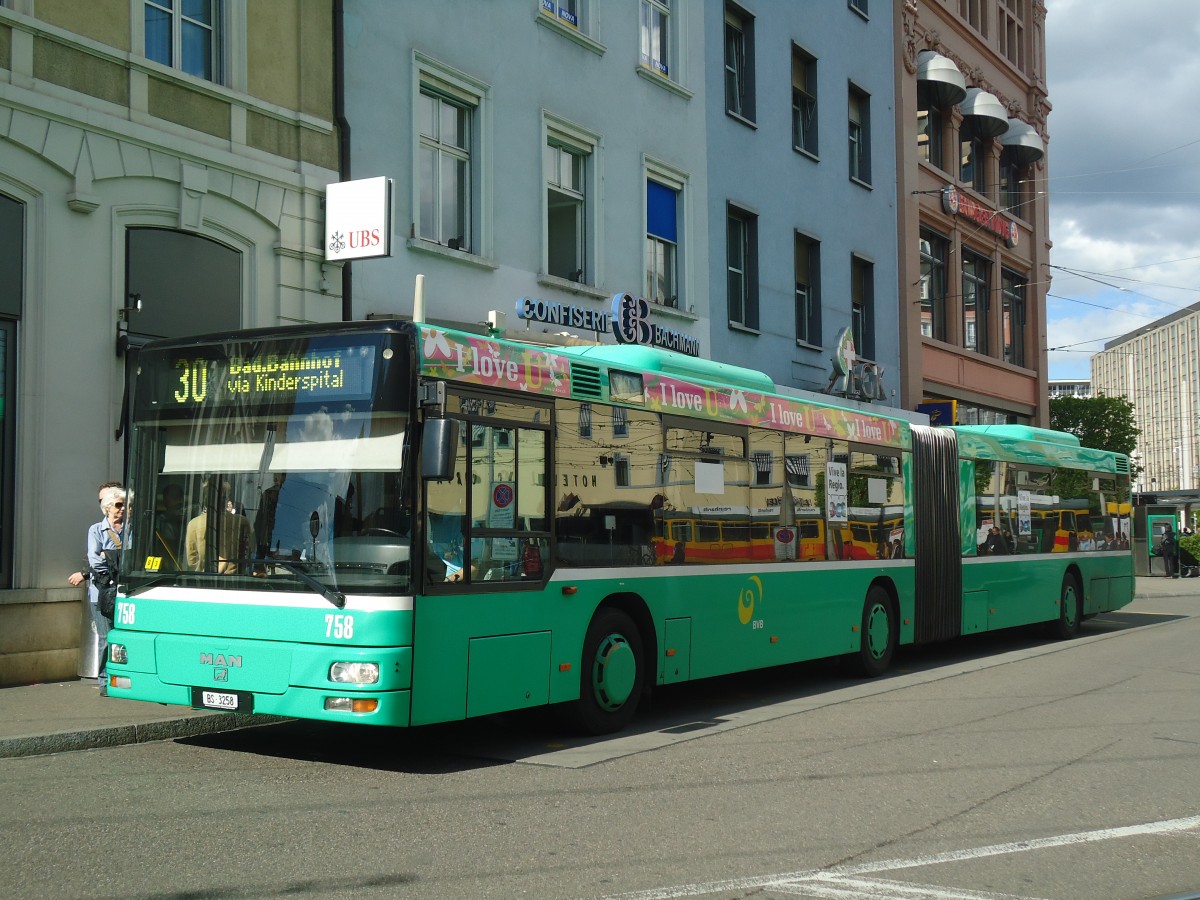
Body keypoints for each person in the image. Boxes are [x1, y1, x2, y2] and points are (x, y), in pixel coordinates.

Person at [67, 486, 125, 695]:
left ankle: (121, 677)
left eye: (125, 505)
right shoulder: (96, 530)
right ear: (108, 507)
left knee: (123, 637)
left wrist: (108, 556)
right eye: (118, 505)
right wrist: (117, 561)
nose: (123, 509)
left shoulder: (130, 530)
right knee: (106, 637)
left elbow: (135, 558)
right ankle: (104, 682)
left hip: (125, 591)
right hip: (102, 592)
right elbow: (94, 561)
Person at [186, 478, 252, 573]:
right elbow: (247, 553)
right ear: (226, 499)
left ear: (205, 498)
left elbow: (191, 561)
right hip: (234, 579)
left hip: (202, 578)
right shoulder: (241, 522)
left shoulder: (194, 523)